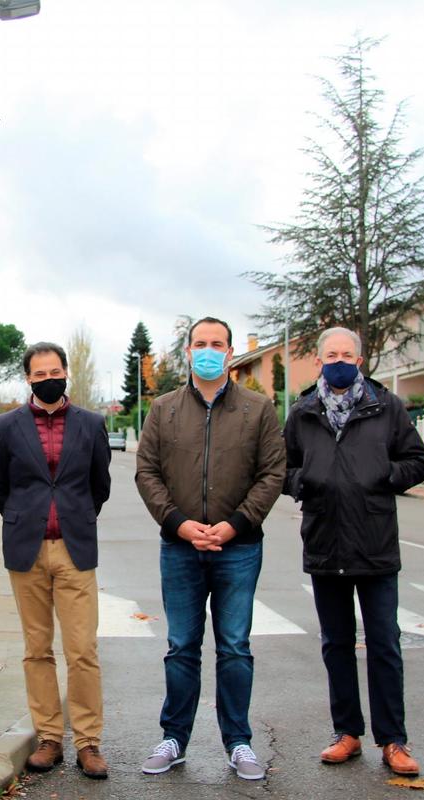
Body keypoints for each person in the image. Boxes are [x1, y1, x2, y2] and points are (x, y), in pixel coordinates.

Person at [134, 316, 286, 781]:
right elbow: (147, 472)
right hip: (179, 548)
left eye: (216, 343)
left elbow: (273, 474)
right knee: (181, 646)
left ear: (229, 352)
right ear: (187, 351)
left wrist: (234, 525)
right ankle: (174, 739)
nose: (207, 350)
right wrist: (179, 525)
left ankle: (238, 743)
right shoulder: (163, 409)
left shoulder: (258, 409)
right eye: (199, 343)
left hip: (238, 548)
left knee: (235, 648)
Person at [282, 326, 424, 777]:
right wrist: (302, 482)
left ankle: (393, 740)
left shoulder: (388, 407)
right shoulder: (302, 412)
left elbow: (419, 462)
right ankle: (346, 733)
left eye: (348, 353)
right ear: (319, 361)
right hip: (325, 542)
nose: (340, 360)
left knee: (385, 643)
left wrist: (383, 474)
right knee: (336, 645)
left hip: (375, 544)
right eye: (332, 354)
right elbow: (282, 467)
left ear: (361, 360)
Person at [0, 342, 113, 780]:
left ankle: (89, 742)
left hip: (75, 549)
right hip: (28, 549)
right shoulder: (5, 427)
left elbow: (101, 485)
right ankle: (49, 738)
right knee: (37, 649)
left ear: (66, 373)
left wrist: (73, 516)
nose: (48, 379)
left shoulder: (92, 424)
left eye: (54, 371)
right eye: (39, 374)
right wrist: (27, 518)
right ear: (28, 379)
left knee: (82, 651)